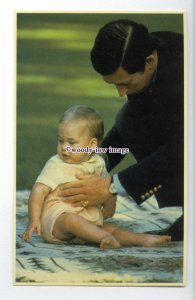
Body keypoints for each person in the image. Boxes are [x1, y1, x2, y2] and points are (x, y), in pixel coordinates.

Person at [48, 19, 184, 241]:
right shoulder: (141, 50)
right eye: (114, 84)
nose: (121, 93)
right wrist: (95, 163)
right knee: (128, 119)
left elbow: (182, 148)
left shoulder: (183, 75)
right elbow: (128, 129)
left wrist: (112, 187)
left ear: (149, 62)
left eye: (126, 84)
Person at [23, 105, 171, 248]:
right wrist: (34, 219)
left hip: (87, 217)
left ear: (92, 145)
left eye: (71, 142)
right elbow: (38, 190)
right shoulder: (56, 163)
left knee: (110, 229)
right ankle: (103, 238)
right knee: (71, 220)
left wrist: (109, 203)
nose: (63, 147)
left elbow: (107, 185)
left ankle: (141, 240)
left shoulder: (98, 162)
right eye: (61, 140)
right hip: (57, 220)